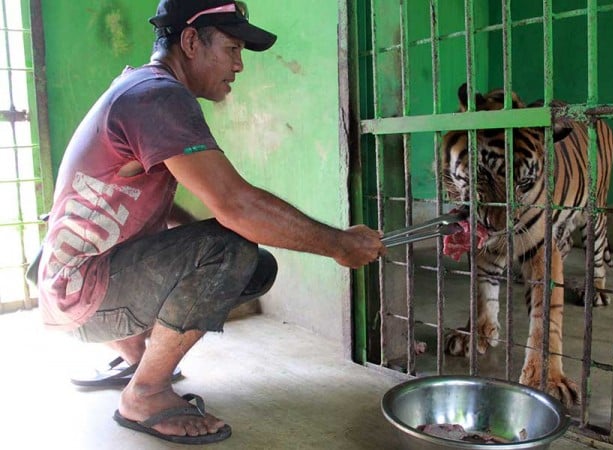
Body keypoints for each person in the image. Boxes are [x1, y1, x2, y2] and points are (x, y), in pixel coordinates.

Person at [35, 0, 386, 444]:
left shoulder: (136, 86)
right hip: (83, 296)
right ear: (189, 41)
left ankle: (132, 353)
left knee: (229, 253)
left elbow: (155, 207)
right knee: (233, 249)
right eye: (232, 48)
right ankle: (145, 393)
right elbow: (236, 205)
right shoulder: (159, 97)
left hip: (59, 281)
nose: (239, 65)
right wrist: (338, 243)